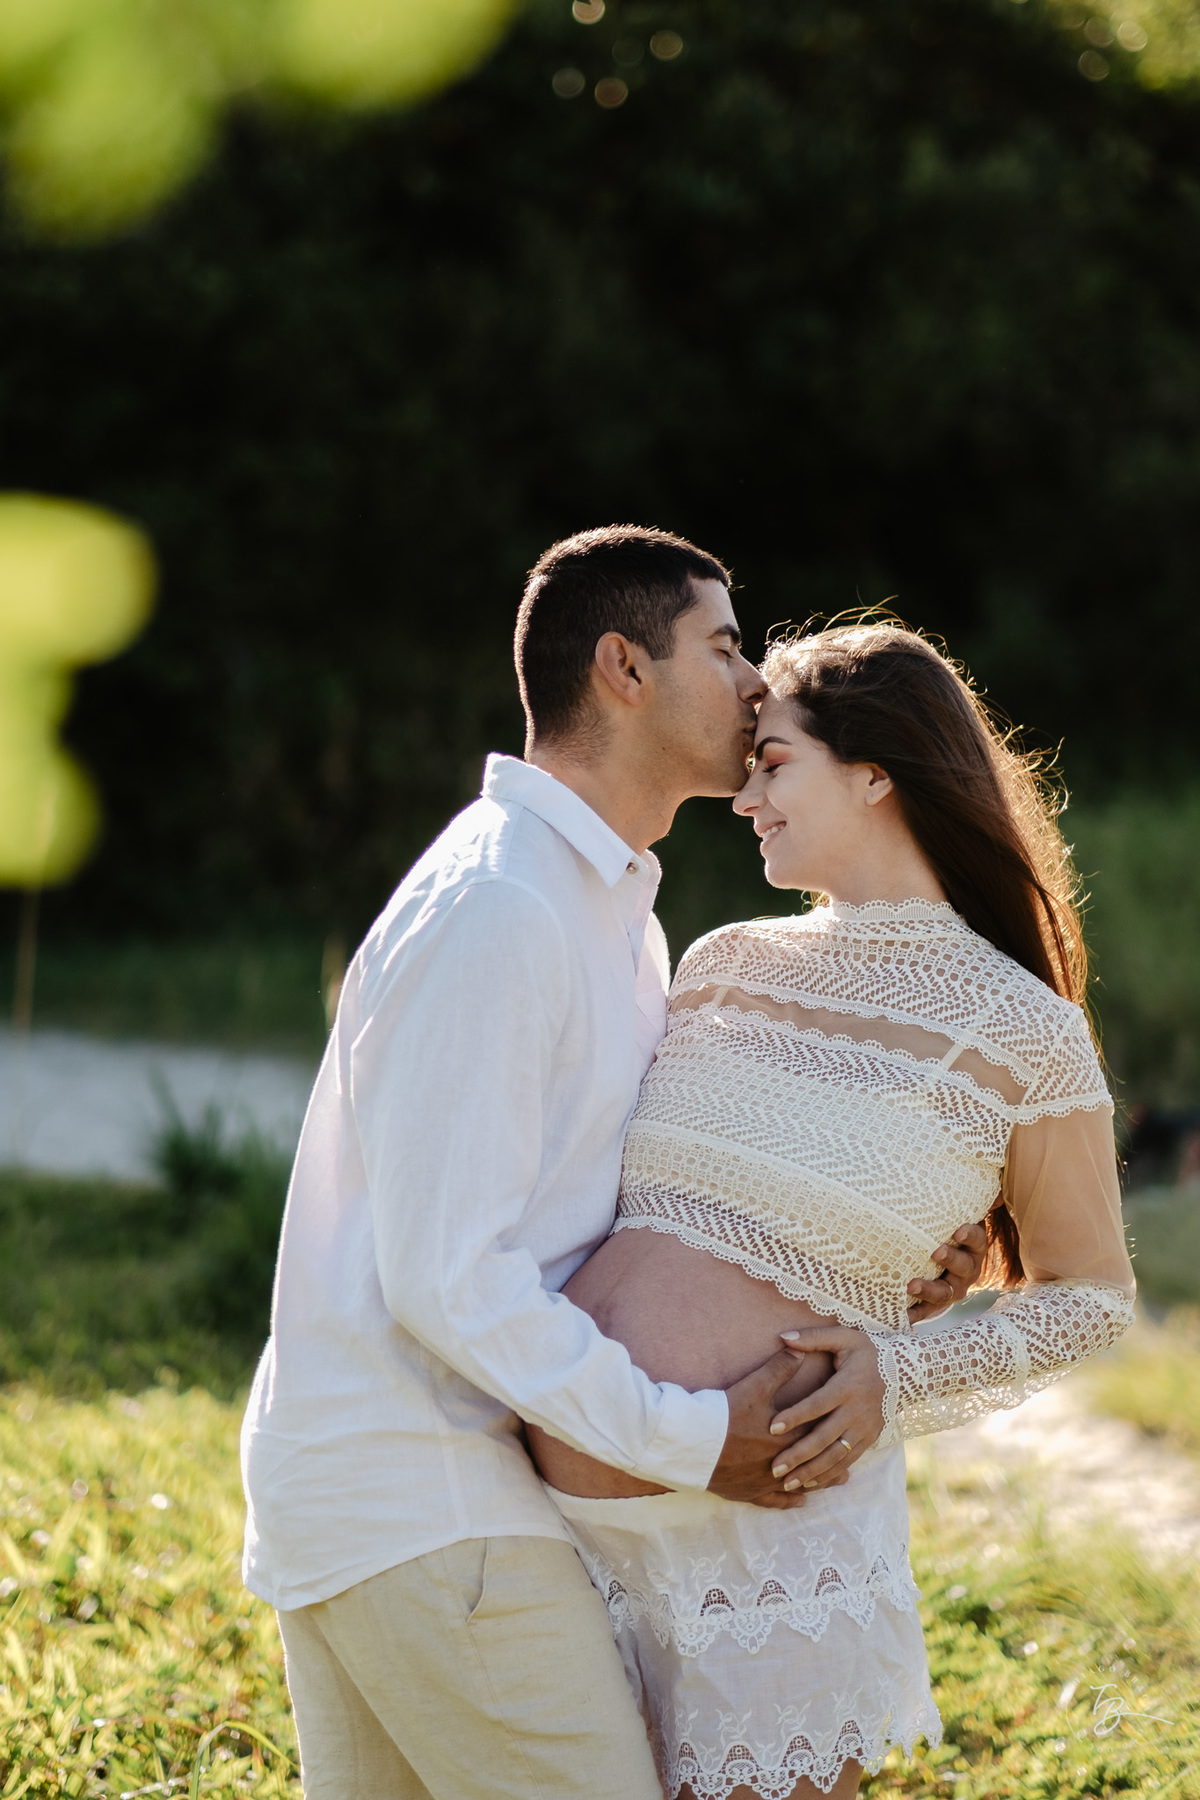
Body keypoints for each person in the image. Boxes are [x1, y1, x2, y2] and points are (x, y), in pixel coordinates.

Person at [240, 529, 986, 1800]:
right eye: (723, 644)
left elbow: (658, 1200)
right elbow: (449, 1277)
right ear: (622, 669)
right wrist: (693, 1437)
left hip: (426, 1500)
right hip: (432, 1506)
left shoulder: (614, 915)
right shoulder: (501, 907)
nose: (756, 682)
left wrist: (883, 1245)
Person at [530, 618, 1136, 1800]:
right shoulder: (717, 961)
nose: (745, 796)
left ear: (874, 771)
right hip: (568, 1531)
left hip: (770, 1549)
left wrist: (897, 1376)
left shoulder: (1025, 1033)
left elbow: (1095, 1300)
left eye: (774, 761)